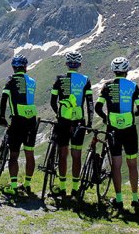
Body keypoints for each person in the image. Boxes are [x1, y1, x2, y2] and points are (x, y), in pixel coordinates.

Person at [95, 57, 139, 210]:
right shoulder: (133, 86)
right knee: (132, 164)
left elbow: (98, 107)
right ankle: (135, 199)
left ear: (113, 70)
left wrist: (105, 118)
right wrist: (130, 114)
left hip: (113, 129)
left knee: (116, 165)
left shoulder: (107, 86)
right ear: (127, 70)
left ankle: (119, 199)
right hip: (130, 129)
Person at [49, 51, 94, 197]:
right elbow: (90, 104)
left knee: (63, 154)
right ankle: (75, 188)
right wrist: (89, 123)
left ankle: (62, 187)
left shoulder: (59, 79)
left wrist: (58, 113)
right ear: (79, 65)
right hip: (79, 123)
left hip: (63, 121)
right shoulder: (85, 80)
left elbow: (52, 101)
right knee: (76, 155)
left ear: (66, 64)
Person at [0, 54, 37, 196]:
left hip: (17, 121)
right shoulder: (32, 81)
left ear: (14, 68)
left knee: (14, 155)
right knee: (29, 153)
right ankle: (27, 184)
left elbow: (4, 99)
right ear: (25, 67)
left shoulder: (11, 80)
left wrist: (2, 117)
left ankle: (13, 186)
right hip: (31, 121)